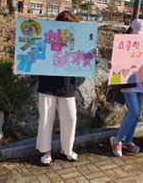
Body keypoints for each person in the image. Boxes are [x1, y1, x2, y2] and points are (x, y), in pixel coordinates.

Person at [35, 11, 98, 166]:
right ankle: (45, 152)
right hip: (47, 85)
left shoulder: (76, 41)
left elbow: (83, 62)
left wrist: (93, 56)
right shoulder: (47, 38)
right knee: (45, 119)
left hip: (67, 86)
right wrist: (20, 65)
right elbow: (34, 58)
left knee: (70, 118)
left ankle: (67, 150)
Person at [109, 19, 143, 157]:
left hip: (142, 83)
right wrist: (112, 65)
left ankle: (128, 140)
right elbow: (116, 62)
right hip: (128, 81)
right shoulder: (123, 44)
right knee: (134, 110)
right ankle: (117, 139)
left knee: (137, 114)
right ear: (131, 30)